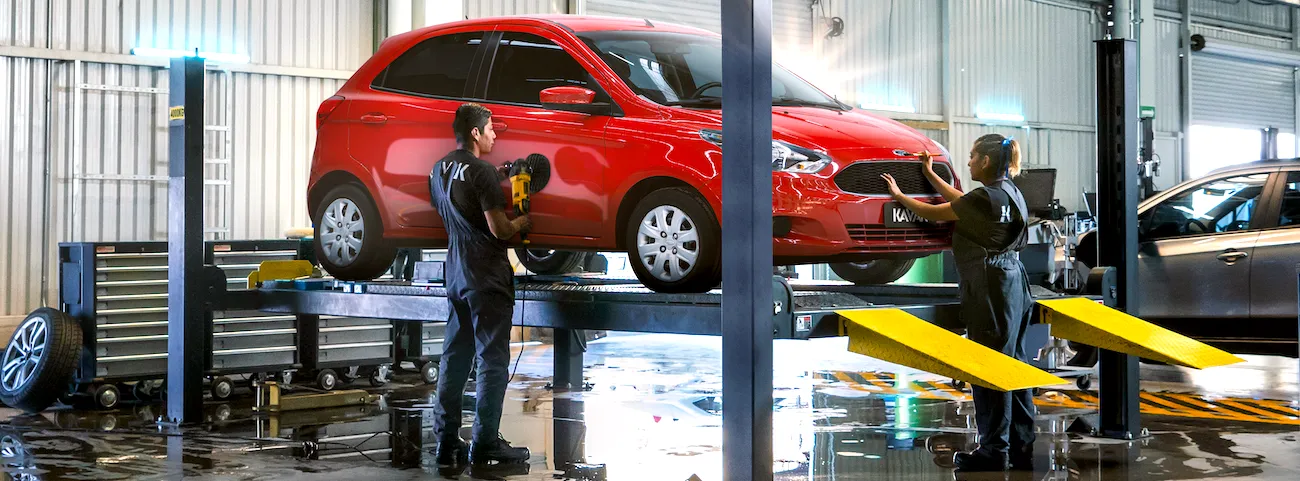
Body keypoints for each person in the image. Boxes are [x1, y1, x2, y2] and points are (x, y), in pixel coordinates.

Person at [881, 134, 1035, 472]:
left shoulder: (987, 197)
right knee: (1015, 366)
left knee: (988, 368)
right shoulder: (1009, 193)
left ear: (984, 162)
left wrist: (899, 196)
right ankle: (1022, 443)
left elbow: (937, 213)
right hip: (1014, 282)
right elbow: (962, 201)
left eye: (971, 157)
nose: (967, 163)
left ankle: (994, 451)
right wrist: (931, 174)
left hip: (991, 286)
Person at [429, 103, 532, 469]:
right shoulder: (482, 172)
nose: (494, 135)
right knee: (492, 360)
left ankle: (445, 441)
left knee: (455, 358)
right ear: (475, 132)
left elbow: (461, 205)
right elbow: (500, 230)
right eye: (490, 129)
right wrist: (523, 220)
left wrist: (497, 176)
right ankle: (486, 443)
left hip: (455, 273)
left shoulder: (438, 169)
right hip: (486, 276)